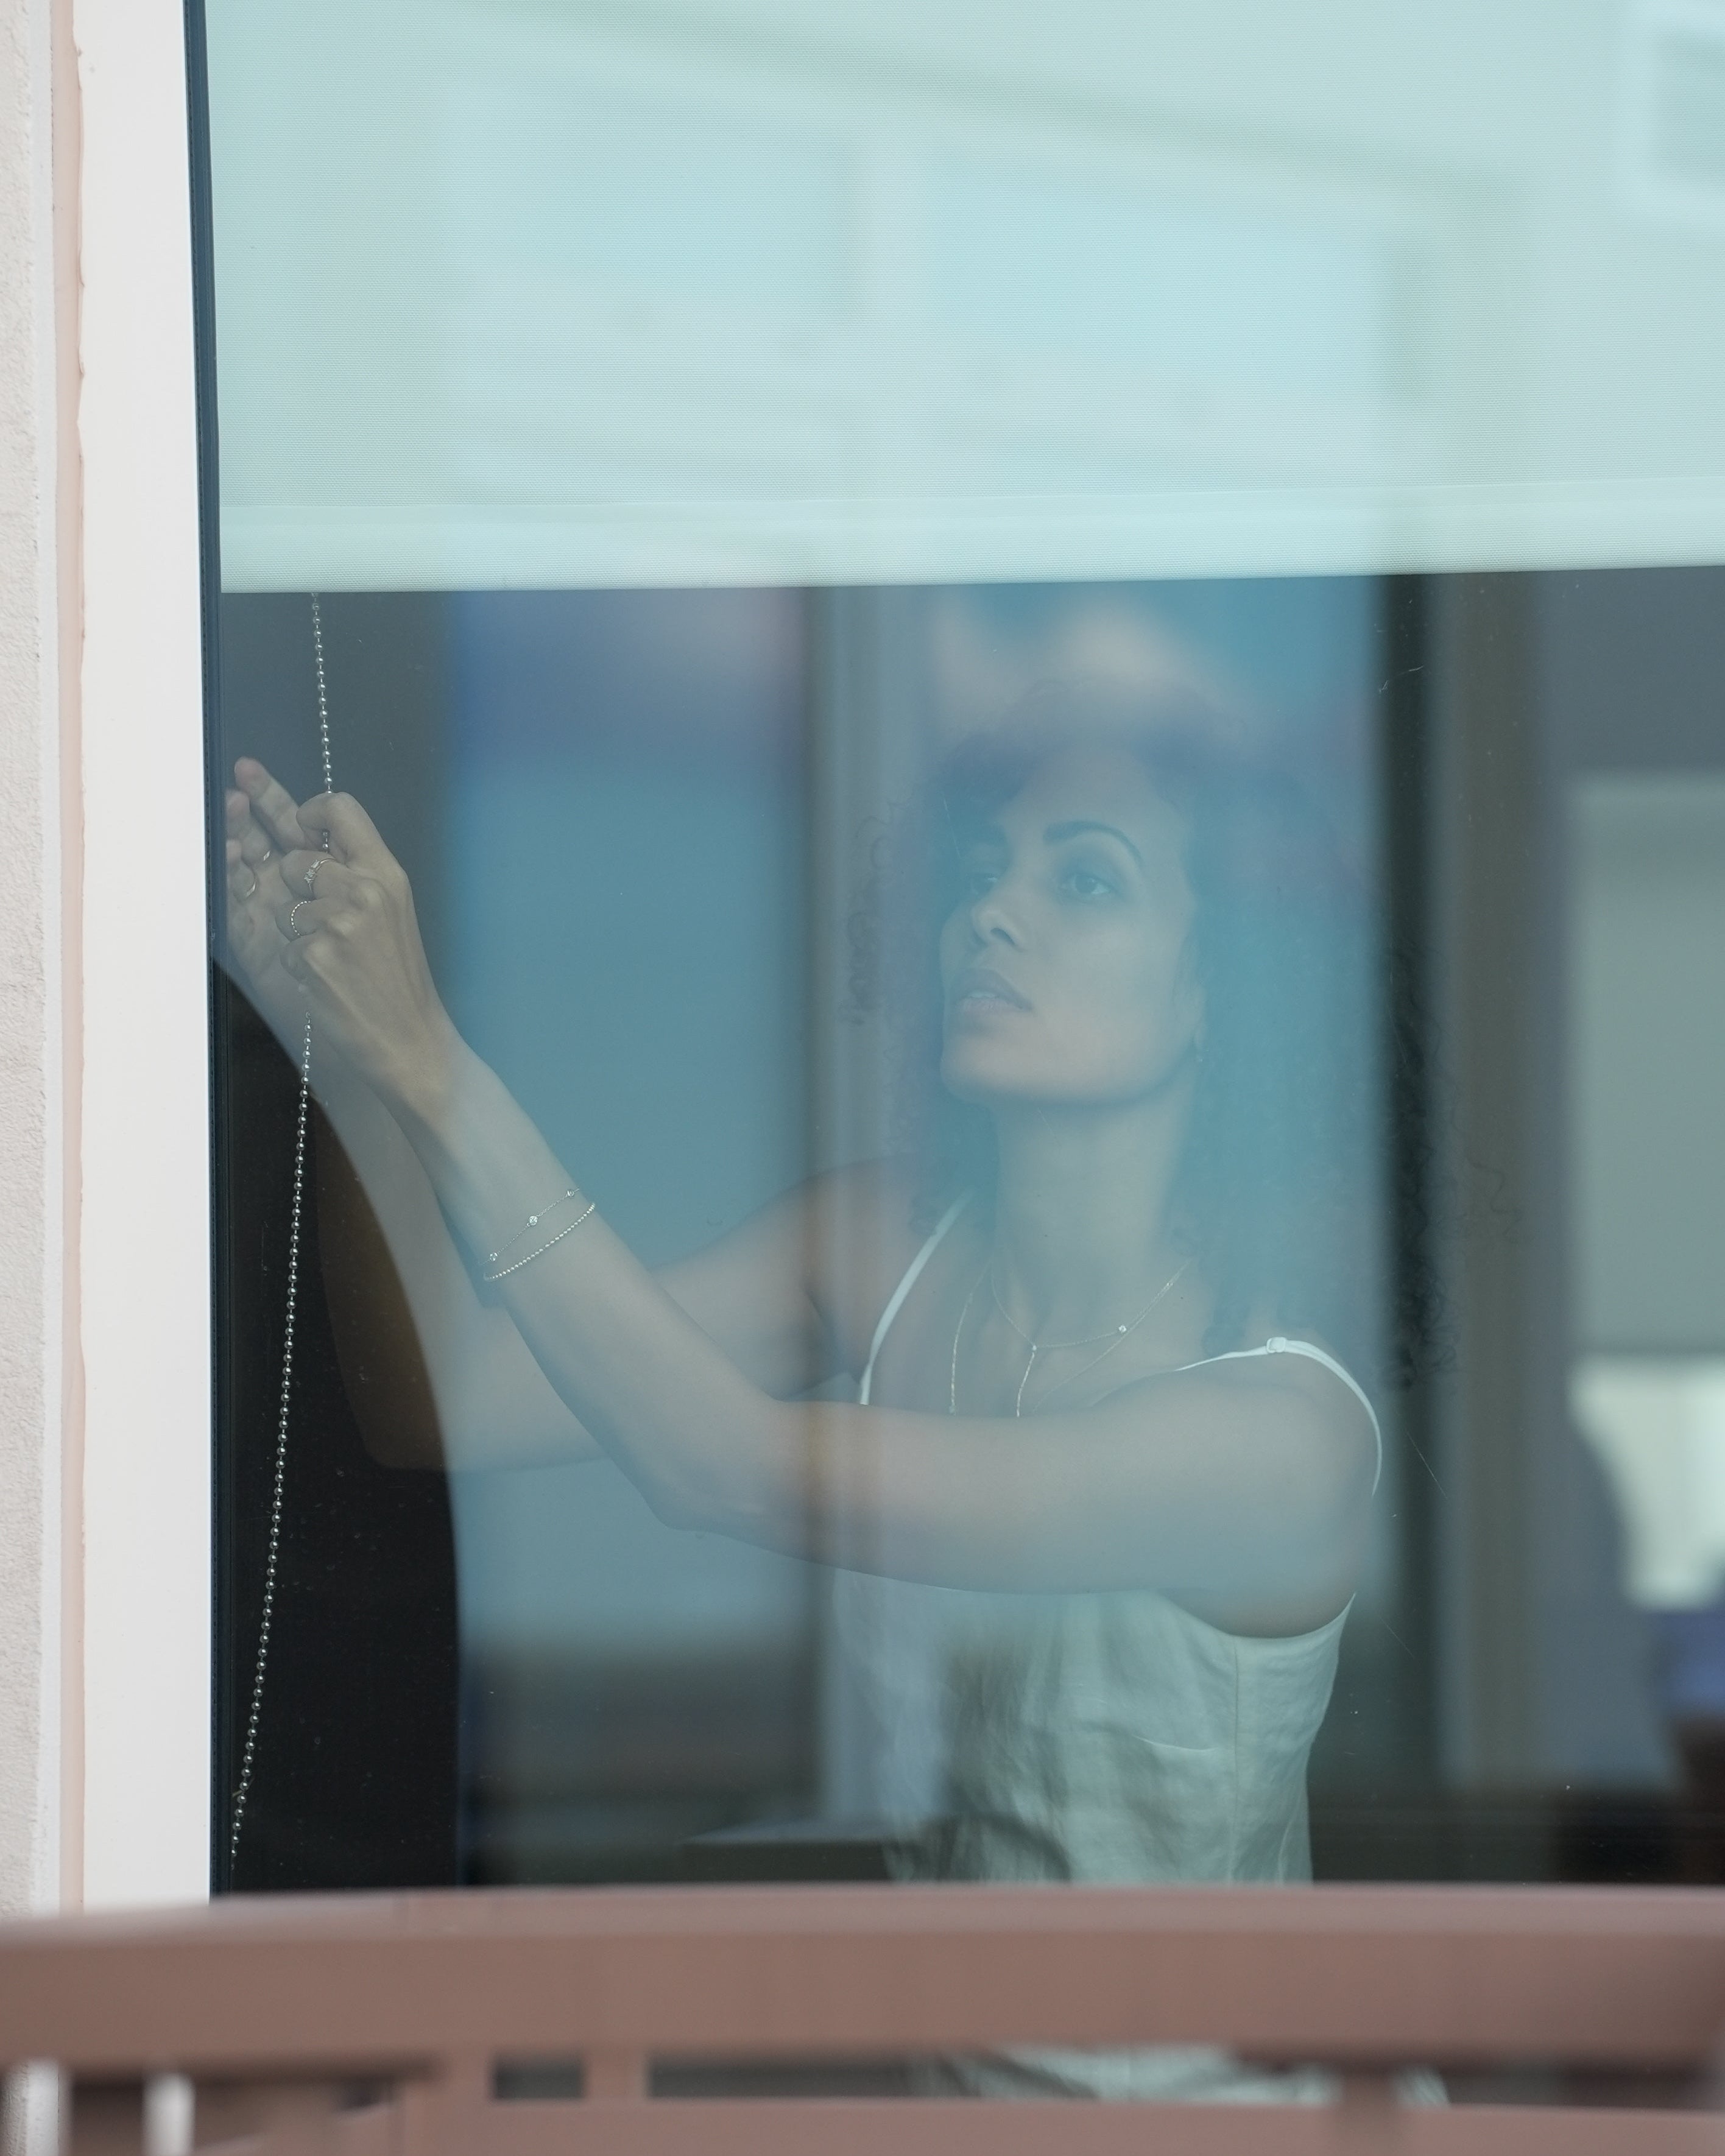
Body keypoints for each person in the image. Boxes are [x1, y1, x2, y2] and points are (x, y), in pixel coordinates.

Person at [224, 682, 1386, 2101]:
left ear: (1223, 990)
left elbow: (720, 1465)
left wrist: (431, 1057)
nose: (994, 915)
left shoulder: (1280, 1440)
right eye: (984, 872)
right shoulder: (886, 1255)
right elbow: (448, 1395)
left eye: (1084, 877)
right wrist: (349, 1057)